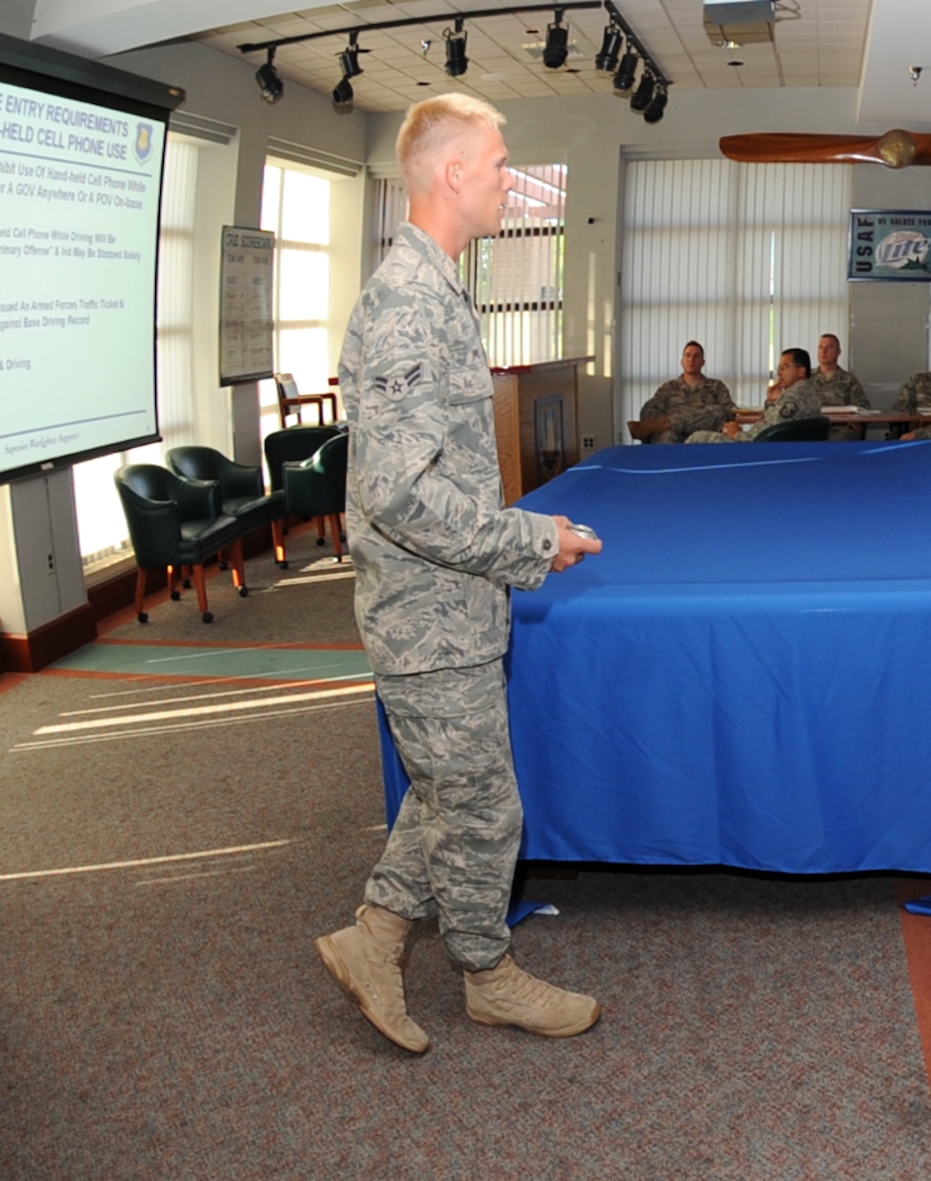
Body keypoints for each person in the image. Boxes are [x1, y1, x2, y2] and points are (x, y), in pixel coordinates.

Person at [316, 94, 602, 1054]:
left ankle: (376, 937)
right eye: (496, 162)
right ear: (449, 174)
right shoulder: (406, 302)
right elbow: (397, 496)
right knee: (483, 804)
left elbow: (441, 476)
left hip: (452, 606)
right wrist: (530, 543)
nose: (507, 178)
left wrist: (525, 529)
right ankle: (488, 976)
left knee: (448, 789)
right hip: (426, 617)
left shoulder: (433, 288)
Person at [687, 348, 822, 442]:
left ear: (801, 371)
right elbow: (775, 425)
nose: (779, 373)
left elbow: (768, 431)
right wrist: (771, 401)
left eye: (785, 367)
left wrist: (737, 434)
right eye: (779, 368)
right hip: (771, 445)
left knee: (697, 438)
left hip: (754, 448)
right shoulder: (808, 392)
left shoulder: (794, 398)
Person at [637, 341, 735, 443]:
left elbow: (729, 412)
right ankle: (673, 426)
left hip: (705, 436)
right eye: (687, 355)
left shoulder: (716, 386)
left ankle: (673, 423)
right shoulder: (668, 388)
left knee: (716, 412)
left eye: (696, 356)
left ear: (703, 362)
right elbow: (648, 411)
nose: (691, 360)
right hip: (674, 437)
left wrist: (671, 422)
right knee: (664, 435)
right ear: (682, 361)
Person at [809, 332, 869, 439]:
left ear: (838, 352)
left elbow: (862, 407)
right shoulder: (807, 378)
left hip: (839, 430)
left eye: (829, 348)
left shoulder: (849, 379)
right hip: (812, 428)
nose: (824, 351)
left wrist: (854, 422)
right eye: (821, 347)